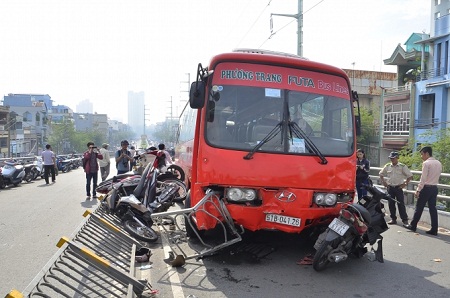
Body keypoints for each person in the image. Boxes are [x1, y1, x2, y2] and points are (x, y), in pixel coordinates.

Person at [404, 146, 442, 235]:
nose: (421, 156)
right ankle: (434, 229)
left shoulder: (426, 163)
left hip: (426, 188)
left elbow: (423, 178)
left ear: (426, 153)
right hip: (434, 188)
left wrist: (418, 190)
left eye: (422, 154)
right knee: (433, 209)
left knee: (419, 207)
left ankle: (413, 226)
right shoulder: (438, 163)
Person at [379, 151, 413, 225]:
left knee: (401, 204)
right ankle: (393, 218)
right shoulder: (387, 166)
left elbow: (410, 176)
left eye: (393, 158)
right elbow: (381, 174)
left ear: (397, 158)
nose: (392, 160)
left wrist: (405, 184)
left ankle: (404, 220)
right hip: (390, 187)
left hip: (398, 188)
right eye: (391, 158)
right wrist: (383, 182)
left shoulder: (402, 166)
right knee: (391, 204)